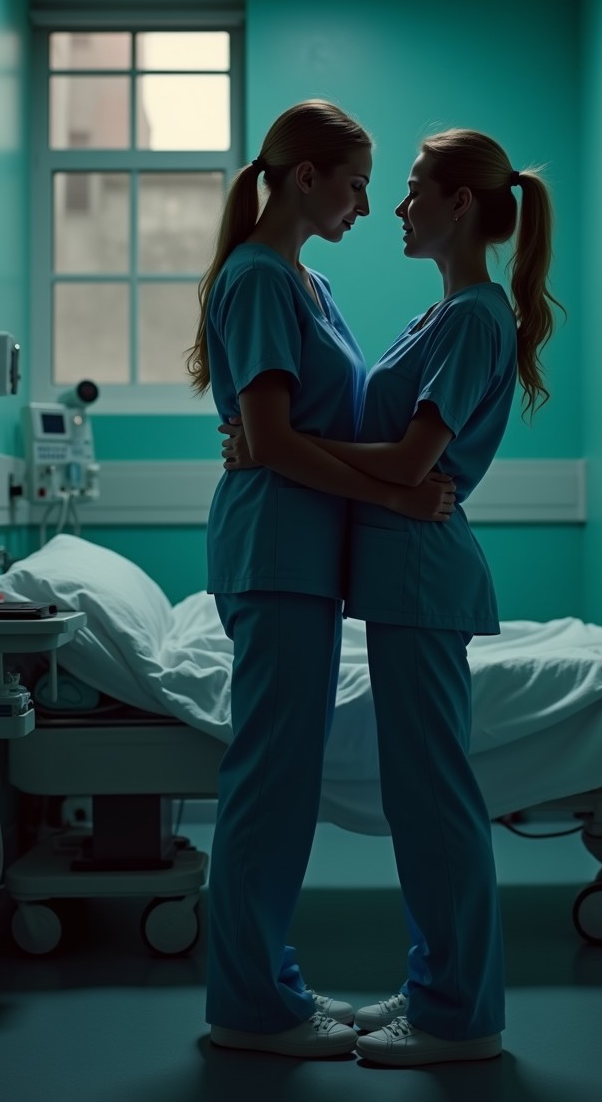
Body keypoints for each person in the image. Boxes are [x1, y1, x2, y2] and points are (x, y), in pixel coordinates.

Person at [222, 127, 561, 1066]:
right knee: (419, 795)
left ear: (459, 204)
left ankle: (456, 1012)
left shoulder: (470, 317)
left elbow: (415, 463)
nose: (390, 207)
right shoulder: (443, 312)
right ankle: (432, 995)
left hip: (416, 570)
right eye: (376, 186)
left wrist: (273, 445)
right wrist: (269, 443)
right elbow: (353, 443)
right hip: (376, 565)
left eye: (408, 189)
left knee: (434, 798)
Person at [185, 100, 456, 1061]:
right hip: (275, 555)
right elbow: (271, 443)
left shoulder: (310, 283)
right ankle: (253, 1008)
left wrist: (353, 470)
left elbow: (301, 435)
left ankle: (270, 986)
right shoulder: (261, 279)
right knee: (269, 783)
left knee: (284, 783)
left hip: (304, 555)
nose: (366, 203)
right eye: (354, 183)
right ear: (305, 178)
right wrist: (399, 490)